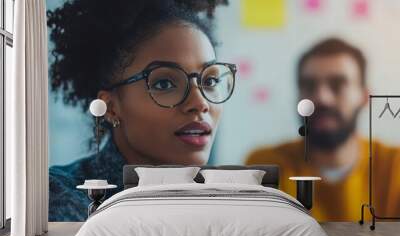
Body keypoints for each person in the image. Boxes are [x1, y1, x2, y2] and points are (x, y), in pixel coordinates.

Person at [48, 0, 235, 221]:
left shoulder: (225, 200)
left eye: (210, 80)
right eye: (165, 84)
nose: (200, 102)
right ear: (111, 107)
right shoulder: (59, 197)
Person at [246, 38, 400, 221]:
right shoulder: (267, 166)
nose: (321, 98)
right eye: (309, 85)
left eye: (337, 85)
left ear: (364, 97)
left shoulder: (394, 167)